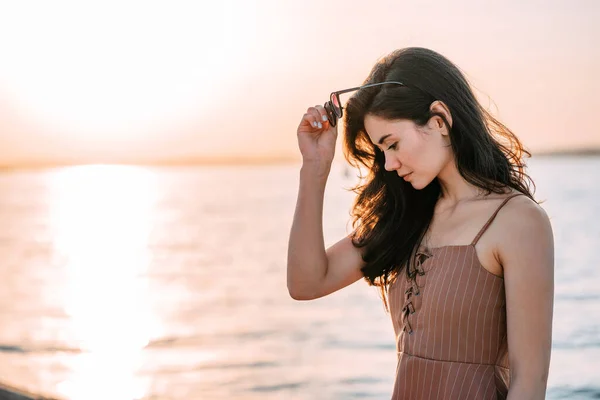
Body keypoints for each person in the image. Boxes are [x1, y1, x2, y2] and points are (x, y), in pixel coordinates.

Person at [286, 47, 554, 399]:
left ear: (439, 119)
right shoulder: (406, 220)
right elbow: (306, 283)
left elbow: (529, 384)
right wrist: (314, 168)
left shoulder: (517, 221)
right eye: (382, 151)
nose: (389, 164)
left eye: (392, 144)